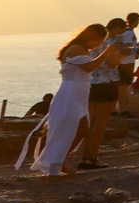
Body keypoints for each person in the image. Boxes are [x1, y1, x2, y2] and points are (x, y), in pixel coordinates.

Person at [21, 24, 121, 176]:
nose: (98, 44)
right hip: (70, 94)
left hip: (78, 94)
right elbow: (89, 67)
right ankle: (55, 163)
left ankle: (58, 162)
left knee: (81, 129)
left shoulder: (81, 49)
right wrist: (106, 53)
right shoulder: (75, 49)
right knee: (74, 129)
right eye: (99, 40)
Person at [76, 14, 130, 168]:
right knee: (100, 124)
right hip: (108, 84)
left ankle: (84, 156)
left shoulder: (89, 45)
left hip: (91, 84)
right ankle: (92, 157)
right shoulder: (109, 44)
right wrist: (123, 55)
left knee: (90, 123)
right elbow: (112, 63)